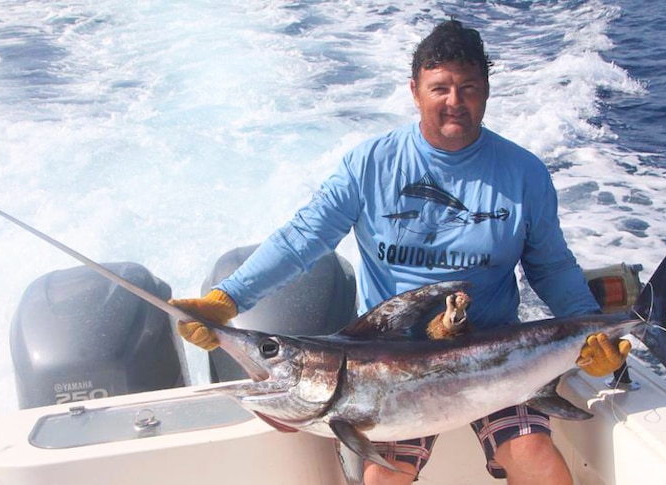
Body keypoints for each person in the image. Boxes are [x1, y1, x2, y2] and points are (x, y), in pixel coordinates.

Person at [172, 19, 630, 485]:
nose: (455, 102)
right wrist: (228, 299)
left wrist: (596, 332)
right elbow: (304, 237)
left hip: (494, 355)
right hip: (388, 364)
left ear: (487, 92)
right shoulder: (370, 164)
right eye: (441, 88)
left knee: (540, 464)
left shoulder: (525, 173)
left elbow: (550, 267)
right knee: (383, 480)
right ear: (415, 91)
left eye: (469, 88)